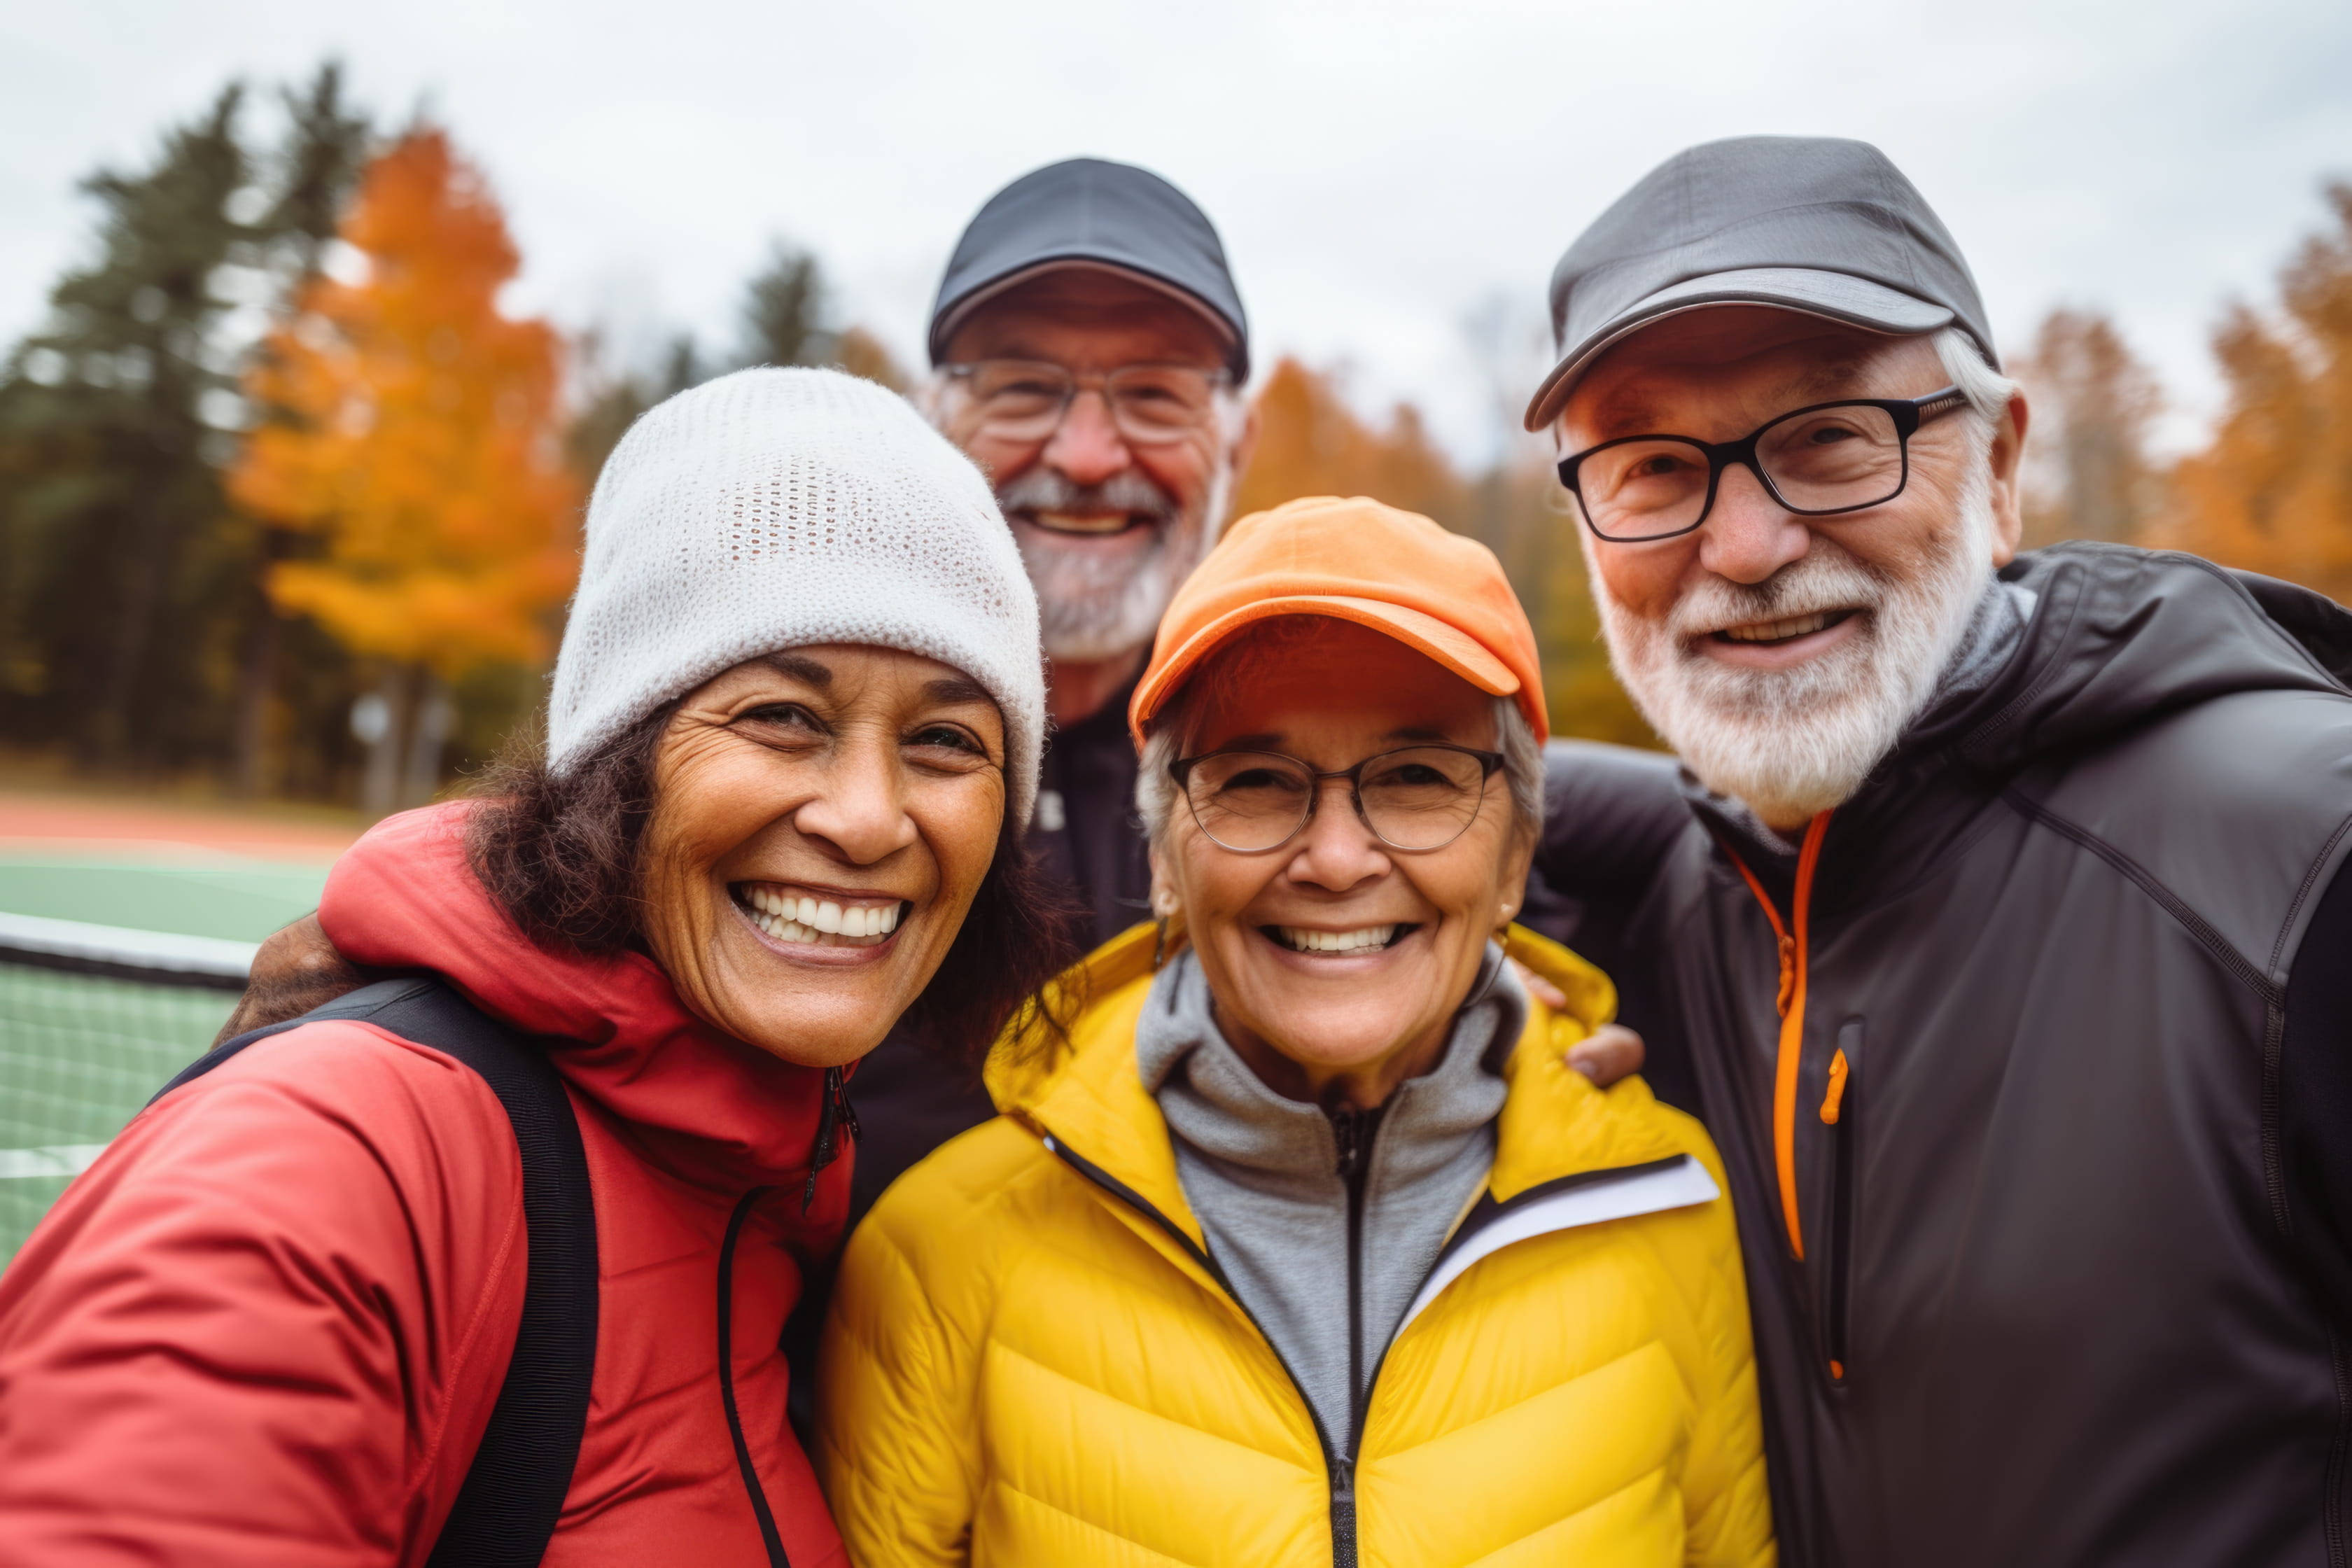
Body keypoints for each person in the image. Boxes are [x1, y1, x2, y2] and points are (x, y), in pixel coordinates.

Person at [218, 156, 1643, 1226]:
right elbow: (516, 912)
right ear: (937, 411)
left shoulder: (1389, 807)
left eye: (1152, 394)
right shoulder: (747, 784)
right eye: (1024, 387)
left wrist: (1465, 1027)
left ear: (1237, 435)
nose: (1086, 454)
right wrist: (351, 1007)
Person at [0, 369, 1073, 1565]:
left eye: (945, 741)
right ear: (616, 763)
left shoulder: (766, 1177)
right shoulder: (338, 1160)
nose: (870, 820)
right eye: (782, 716)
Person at [1523, 136, 2352, 1564]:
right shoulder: (1693, 888)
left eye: (1832, 437)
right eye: (1656, 466)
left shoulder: (2300, 861)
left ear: (2005, 462)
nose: (1746, 543)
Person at [816, 496, 1774, 1567]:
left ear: (1514, 862)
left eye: (1418, 779)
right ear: (1163, 859)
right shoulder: (943, 1247)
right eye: (1256, 782)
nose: (1334, 859)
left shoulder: (1670, 1207)